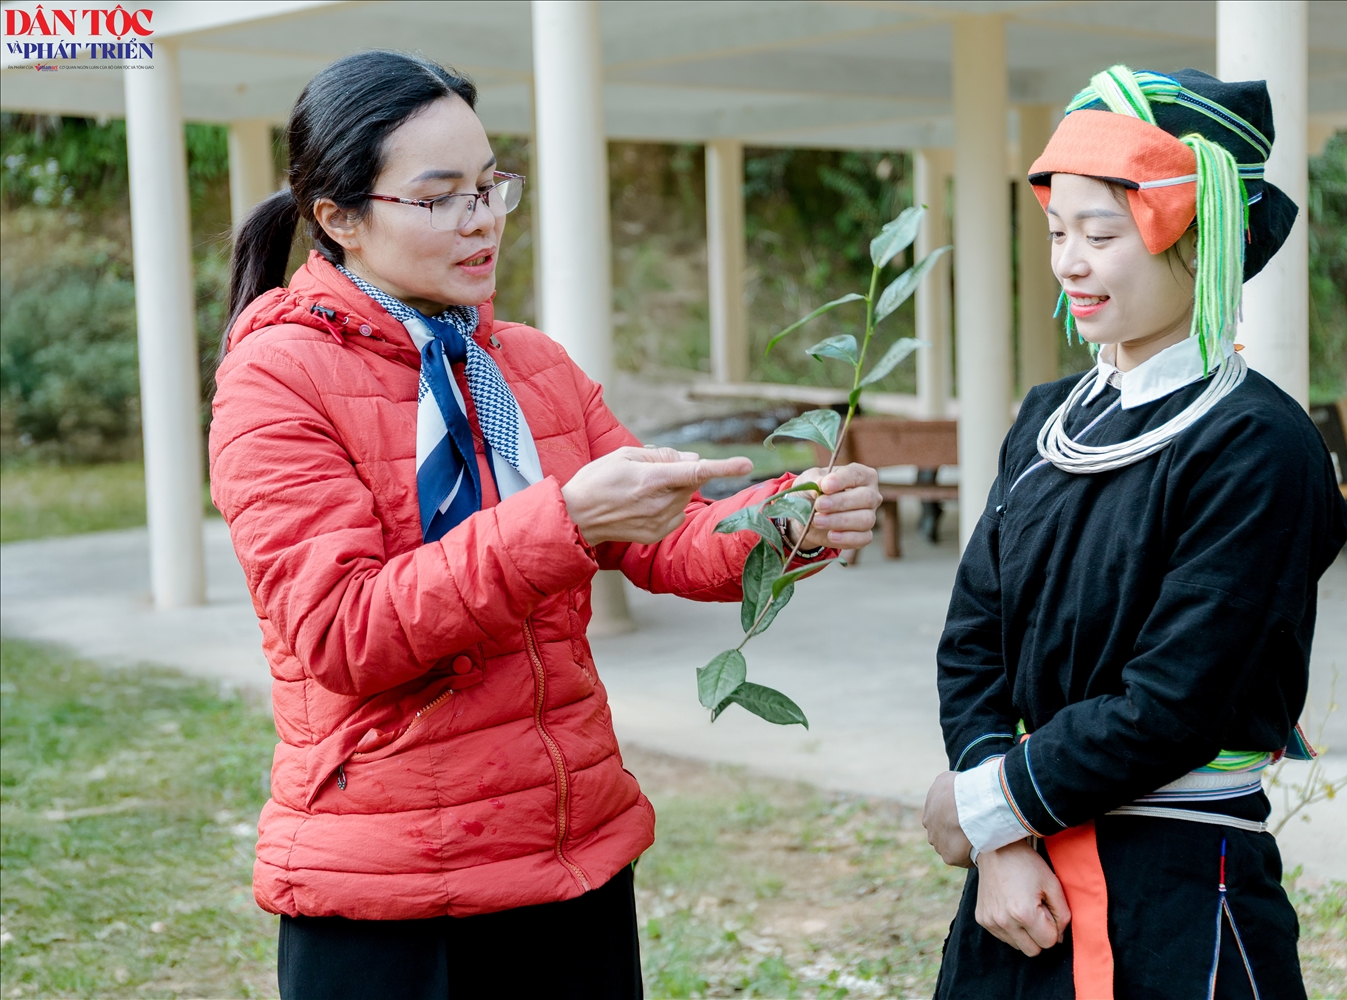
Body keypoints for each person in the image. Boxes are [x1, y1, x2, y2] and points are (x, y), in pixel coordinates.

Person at [209, 50, 881, 1000]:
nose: (482, 219)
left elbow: (664, 537)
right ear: (340, 218)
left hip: (572, 860)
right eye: (439, 197)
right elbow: (343, 633)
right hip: (393, 892)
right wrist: (561, 521)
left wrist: (785, 518)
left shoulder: (528, 364)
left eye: (490, 187)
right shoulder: (276, 379)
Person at [920, 66, 1347, 999]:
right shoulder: (1047, 418)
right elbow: (973, 642)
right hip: (1016, 893)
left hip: (1179, 889)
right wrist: (1001, 844)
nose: (1069, 263)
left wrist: (984, 805)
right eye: (1057, 231)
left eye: (1101, 234)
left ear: (1198, 238)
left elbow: (1174, 703)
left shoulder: (1258, 447)